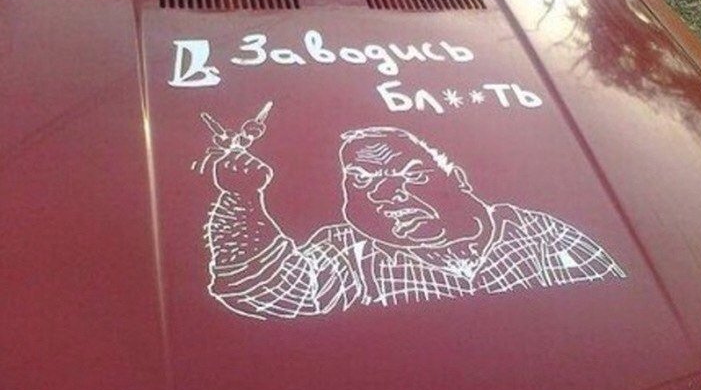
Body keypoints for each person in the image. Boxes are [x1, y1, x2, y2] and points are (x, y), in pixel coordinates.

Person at [196, 105, 625, 321]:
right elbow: (269, 290)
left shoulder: (539, 235)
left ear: (457, 178)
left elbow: (616, 316)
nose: (384, 193)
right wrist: (241, 199)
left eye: (411, 174)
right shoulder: (348, 252)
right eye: (360, 180)